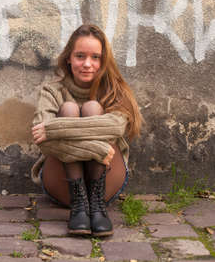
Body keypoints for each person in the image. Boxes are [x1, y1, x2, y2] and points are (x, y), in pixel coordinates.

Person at [31, 24, 142, 236]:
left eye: (95, 57)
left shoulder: (112, 90)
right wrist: (97, 148)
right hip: (62, 185)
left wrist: (55, 128)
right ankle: (79, 205)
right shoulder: (52, 91)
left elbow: (117, 126)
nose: (87, 64)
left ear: (103, 61)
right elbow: (40, 137)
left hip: (107, 181)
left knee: (92, 108)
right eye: (80, 56)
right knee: (69, 108)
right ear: (68, 59)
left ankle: (97, 205)